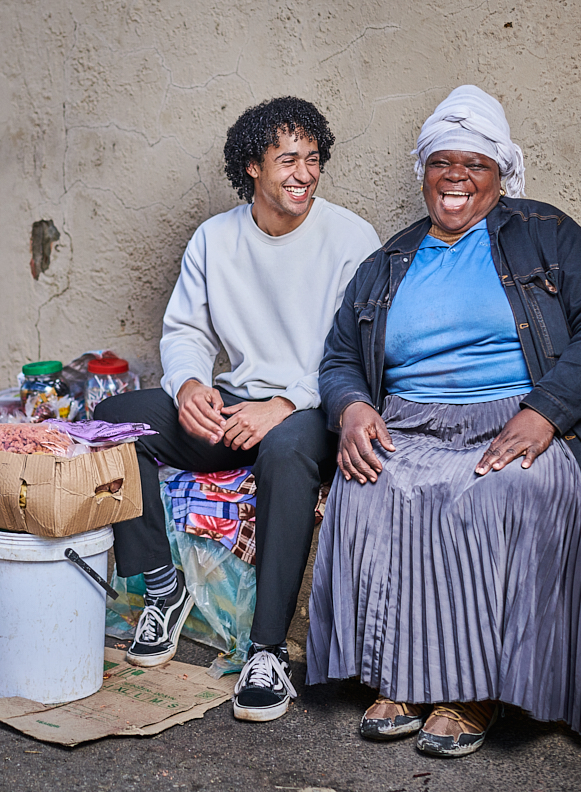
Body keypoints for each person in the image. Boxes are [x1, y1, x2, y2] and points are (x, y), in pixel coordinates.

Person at [306, 84, 581, 756]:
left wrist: (545, 413)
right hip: (408, 424)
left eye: (475, 163)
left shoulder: (547, 233)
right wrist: (351, 408)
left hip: (519, 417)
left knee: (507, 489)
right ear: (424, 173)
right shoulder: (387, 262)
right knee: (370, 486)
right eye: (443, 161)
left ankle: (475, 691)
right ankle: (401, 677)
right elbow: (340, 355)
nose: (457, 176)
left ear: (502, 175)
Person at [94, 96, 380, 723]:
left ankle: (268, 651)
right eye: (287, 160)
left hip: (313, 405)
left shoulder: (352, 239)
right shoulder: (214, 239)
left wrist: (284, 404)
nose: (303, 174)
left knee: (283, 449)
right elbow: (185, 331)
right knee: (118, 421)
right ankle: (163, 592)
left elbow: (358, 353)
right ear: (252, 166)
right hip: (235, 402)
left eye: (313, 159)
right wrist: (191, 383)